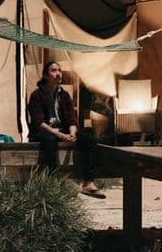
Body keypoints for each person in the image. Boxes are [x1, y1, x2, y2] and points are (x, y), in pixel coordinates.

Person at [27, 61, 104, 197]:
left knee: (90, 139)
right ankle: (54, 181)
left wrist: (72, 134)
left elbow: (71, 118)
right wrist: (60, 135)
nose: (58, 74)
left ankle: (88, 183)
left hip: (62, 129)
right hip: (44, 131)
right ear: (45, 75)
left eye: (59, 70)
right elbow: (38, 122)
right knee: (49, 140)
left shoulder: (64, 95)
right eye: (54, 70)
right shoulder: (36, 95)